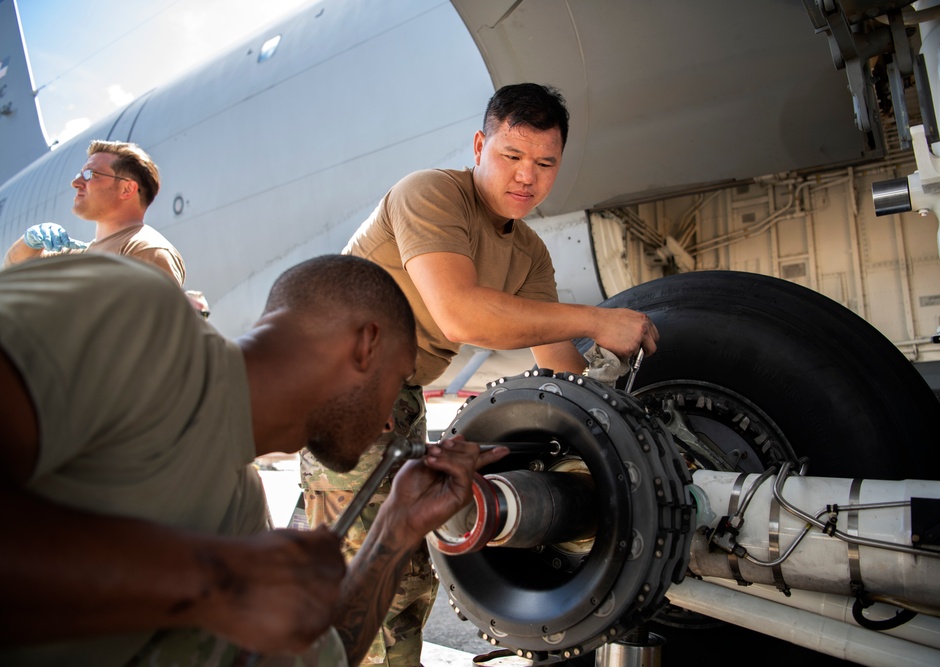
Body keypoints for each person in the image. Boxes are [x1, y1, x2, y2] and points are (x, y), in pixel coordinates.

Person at [300, 82, 659, 666]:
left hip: (401, 393)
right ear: (479, 146)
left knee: (404, 575)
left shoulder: (530, 254)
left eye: (545, 164)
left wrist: (627, 437)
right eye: (511, 156)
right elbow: (459, 311)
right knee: (367, 575)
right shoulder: (431, 195)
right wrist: (599, 319)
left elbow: (560, 370)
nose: (527, 177)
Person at [0, 252, 506, 667]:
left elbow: (315, 657)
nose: (388, 423)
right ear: (366, 344)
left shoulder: (241, 510)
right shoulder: (136, 312)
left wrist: (396, 527)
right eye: (398, 380)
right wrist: (221, 578)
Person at [2, 139, 186, 286]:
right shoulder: (83, 254)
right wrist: (30, 242)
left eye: (90, 175)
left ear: (127, 189)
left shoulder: (145, 249)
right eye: (79, 174)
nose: (76, 183)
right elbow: (16, 270)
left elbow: (156, 328)